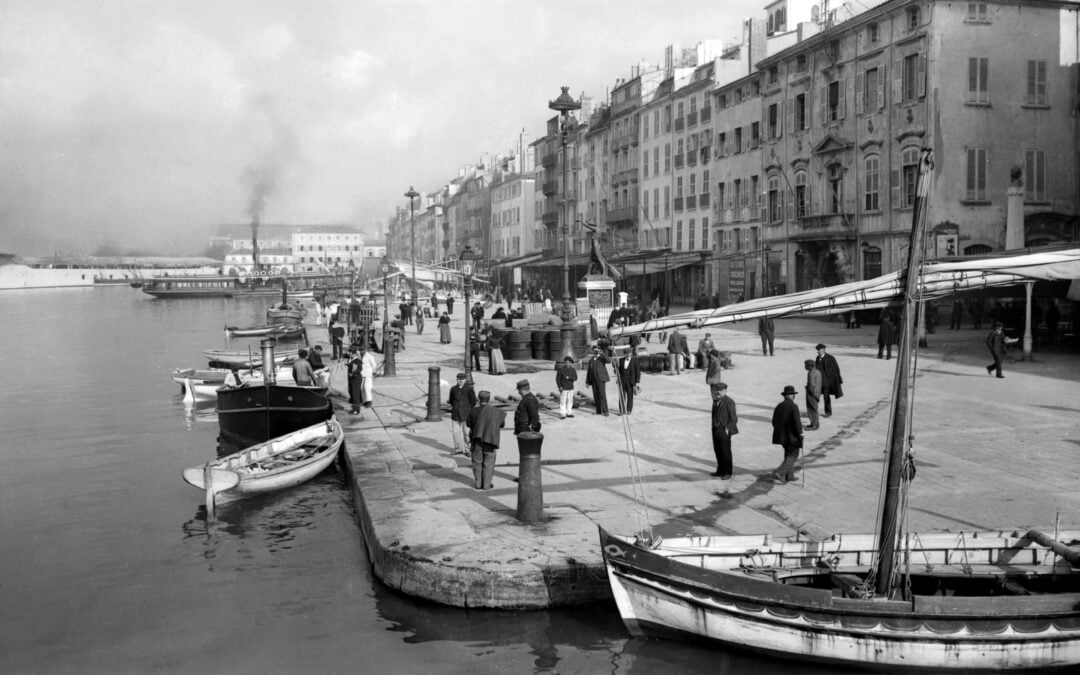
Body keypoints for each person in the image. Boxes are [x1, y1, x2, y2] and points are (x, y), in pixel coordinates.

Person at [466, 390, 506, 490]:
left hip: (477, 439)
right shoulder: (495, 411)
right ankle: (487, 485)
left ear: (479, 399)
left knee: (477, 462)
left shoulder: (473, 411)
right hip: (490, 440)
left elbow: (468, 424)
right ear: (489, 399)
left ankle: (478, 483)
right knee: (489, 463)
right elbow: (501, 424)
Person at [770, 385, 804, 483]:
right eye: (793, 394)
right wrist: (800, 433)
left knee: (788, 455)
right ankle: (780, 473)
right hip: (792, 436)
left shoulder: (779, 406)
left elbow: (774, 422)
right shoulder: (793, 406)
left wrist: (780, 431)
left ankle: (790, 476)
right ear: (792, 396)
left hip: (782, 436)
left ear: (785, 396)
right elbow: (797, 423)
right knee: (793, 456)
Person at [710, 382, 738, 478]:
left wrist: (727, 428)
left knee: (725, 452)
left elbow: (734, 419)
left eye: (721, 390)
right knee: (717, 450)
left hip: (724, 431)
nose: (718, 392)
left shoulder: (729, 402)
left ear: (725, 391)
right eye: (717, 390)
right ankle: (720, 470)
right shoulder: (715, 400)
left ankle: (728, 472)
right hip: (715, 430)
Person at [448, 372, 477, 455]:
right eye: (459, 379)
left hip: (466, 415)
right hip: (456, 415)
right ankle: (458, 449)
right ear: (456, 380)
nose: (461, 381)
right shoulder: (453, 389)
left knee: (467, 434)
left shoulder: (469, 389)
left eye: (462, 379)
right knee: (455, 433)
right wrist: (456, 407)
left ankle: (468, 450)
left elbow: (473, 401)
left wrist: (468, 409)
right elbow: (451, 400)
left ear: (465, 380)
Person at [814, 343, 843, 417]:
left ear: (823, 350)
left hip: (827, 382)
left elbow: (836, 369)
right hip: (819, 381)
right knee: (816, 396)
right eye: (817, 350)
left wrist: (838, 379)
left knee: (826, 397)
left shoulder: (830, 358)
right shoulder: (817, 358)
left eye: (819, 350)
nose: (818, 351)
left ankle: (828, 412)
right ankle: (813, 411)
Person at [615, 342, 641, 415]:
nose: (626, 355)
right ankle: (622, 410)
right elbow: (619, 371)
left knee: (630, 396)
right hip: (622, 381)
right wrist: (617, 378)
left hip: (630, 382)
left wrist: (637, 382)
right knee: (622, 396)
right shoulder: (621, 360)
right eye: (625, 354)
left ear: (630, 353)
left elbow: (638, 372)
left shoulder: (635, 361)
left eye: (628, 354)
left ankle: (629, 410)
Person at [585, 346, 611, 415]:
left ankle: (605, 411)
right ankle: (598, 411)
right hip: (593, 380)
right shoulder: (591, 360)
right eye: (594, 351)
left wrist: (602, 353)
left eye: (596, 350)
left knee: (602, 395)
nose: (595, 352)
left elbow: (609, 360)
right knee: (596, 395)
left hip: (601, 379)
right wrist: (587, 382)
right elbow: (589, 371)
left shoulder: (602, 358)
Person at [804, 359, 821, 431]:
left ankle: (814, 425)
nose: (805, 367)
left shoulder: (811, 373)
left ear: (809, 366)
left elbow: (812, 385)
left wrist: (808, 389)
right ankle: (814, 423)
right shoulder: (817, 371)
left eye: (806, 365)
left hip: (812, 394)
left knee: (812, 409)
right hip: (817, 393)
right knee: (814, 408)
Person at [347, 347, 364, 415]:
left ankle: (356, 410)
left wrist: (353, 373)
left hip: (356, 379)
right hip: (352, 379)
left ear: (353, 354)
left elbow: (360, 369)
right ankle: (354, 408)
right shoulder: (351, 359)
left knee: (355, 394)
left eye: (350, 353)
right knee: (352, 394)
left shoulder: (357, 360)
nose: (349, 354)